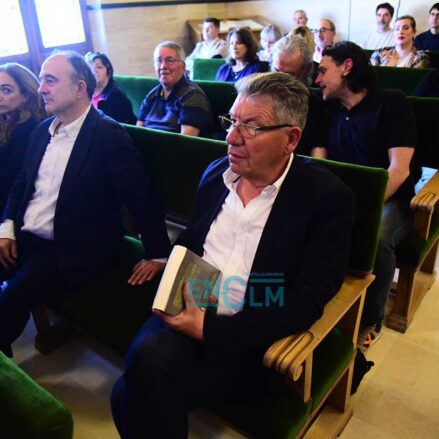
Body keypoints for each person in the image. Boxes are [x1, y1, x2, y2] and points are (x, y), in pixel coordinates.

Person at [111, 71, 355, 438]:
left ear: (291, 139)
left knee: (134, 387)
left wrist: (209, 329)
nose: (231, 137)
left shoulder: (327, 199)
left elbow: (307, 299)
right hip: (192, 301)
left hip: (251, 332)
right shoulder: (217, 174)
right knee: (136, 380)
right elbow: (193, 238)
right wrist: (171, 272)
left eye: (251, 127)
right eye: (232, 121)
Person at [0, 51, 171, 358]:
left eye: (50, 80)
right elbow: (21, 185)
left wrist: (158, 252)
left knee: (11, 299)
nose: (41, 88)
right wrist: (7, 228)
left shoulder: (106, 135)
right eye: (41, 80)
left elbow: (139, 196)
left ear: (79, 88)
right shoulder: (42, 131)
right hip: (25, 237)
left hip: (68, 247)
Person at [315, 41, 417, 352]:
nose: (317, 79)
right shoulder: (329, 109)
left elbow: (399, 170)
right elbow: (320, 163)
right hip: (343, 198)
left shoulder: (391, 103)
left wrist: (364, 210)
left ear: (346, 67)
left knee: (377, 234)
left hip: (392, 201)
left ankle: (371, 320)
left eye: (323, 71)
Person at [137, 41, 213, 137]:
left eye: (170, 60)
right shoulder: (152, 95)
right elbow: (138, 132)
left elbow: (186, 142)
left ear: (183, 67)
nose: (163, 66)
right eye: (159, 61)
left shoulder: (192, 95)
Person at [0, 63, 46, 213]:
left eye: (6, 90)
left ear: (26, 95)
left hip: (15, 209)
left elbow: (10, 180)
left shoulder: (27, 128)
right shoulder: (6, 122)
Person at [271, 35, 325, 157]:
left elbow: (318, 148)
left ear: (306, 70)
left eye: (289, 75)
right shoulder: (258, 94)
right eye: (277, 71)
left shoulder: (315, 105)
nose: (281, 81)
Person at [85, 51, 136, 124]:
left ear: (109, 71)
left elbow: (115, 127)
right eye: (90, 67)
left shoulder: (116, 96)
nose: (93, 71)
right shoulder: (85, 94)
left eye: (99, 67)